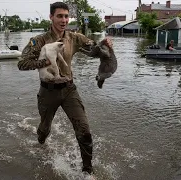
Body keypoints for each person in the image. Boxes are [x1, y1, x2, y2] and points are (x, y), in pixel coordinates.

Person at [17, 1, 113, 176]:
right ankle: (41, 145)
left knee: (84, 130)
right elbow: (22, 64)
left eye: (66, 16)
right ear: (51, 17)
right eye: (60, 16)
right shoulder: (38, 41)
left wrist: (104, 44)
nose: (64, 20)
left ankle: (87, 171)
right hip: (48, 91)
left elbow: (94, 49)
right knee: (44, 131)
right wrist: (46, 61)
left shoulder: (74, 38)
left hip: (69, 89)